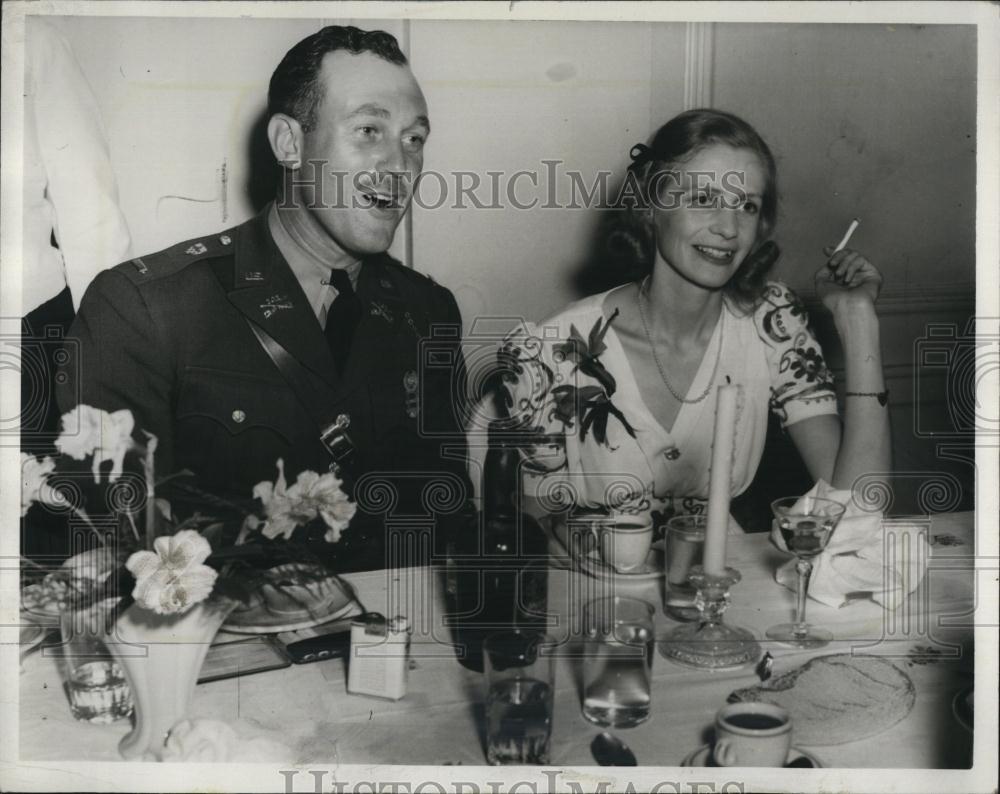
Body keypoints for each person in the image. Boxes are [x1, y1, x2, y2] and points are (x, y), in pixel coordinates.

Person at [58, 26, 470, 571]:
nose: (400, 166)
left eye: (414, 139)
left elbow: (445, 522)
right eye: (369, 130)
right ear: (289, 144)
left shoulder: (427, 313)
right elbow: (110, 556)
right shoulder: (145, 310)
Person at [493, 109, 889, 529]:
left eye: (747, 206)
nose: (729, 228)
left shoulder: (773, 325)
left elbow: (860, 509)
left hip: (718, 586)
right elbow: (533, 533)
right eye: (703, 199)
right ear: (650, 207)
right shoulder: (555, 348)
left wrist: (858, 320)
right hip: (594, 586)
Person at [21, 19, 132, 559]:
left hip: (24, 343)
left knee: (51, 549)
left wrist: (109, 362)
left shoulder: (29, 42)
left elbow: (91, 217)